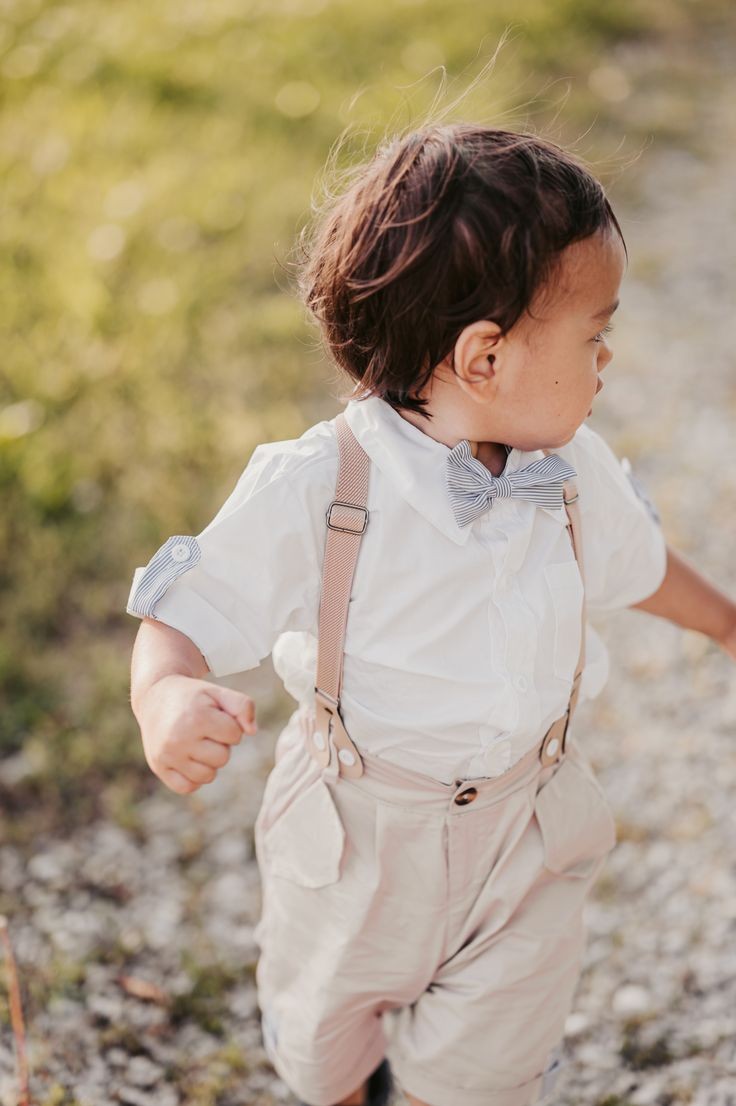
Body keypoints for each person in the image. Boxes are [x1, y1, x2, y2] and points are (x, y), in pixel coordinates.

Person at [126, 124, 736, 1106]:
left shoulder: (572, 472)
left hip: (524, 824)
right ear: (484, 357)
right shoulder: (318, 485)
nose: (608, 356)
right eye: (592, 333)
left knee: (482, 1068)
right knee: (327, 1041)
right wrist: (166, 696)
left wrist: (724, 620)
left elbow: (636, 565)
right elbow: (184, 608)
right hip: (357, 829)